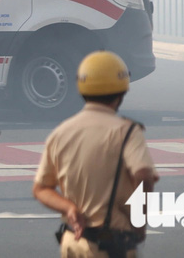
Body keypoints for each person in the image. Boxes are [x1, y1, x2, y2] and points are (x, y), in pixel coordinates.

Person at [33, 51, 159, 258]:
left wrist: (69, 208)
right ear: (121, 91)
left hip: (72, 242)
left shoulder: (61, 132)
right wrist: (138, 222)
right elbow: (143, 175)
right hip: (110, 246)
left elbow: (41, 189)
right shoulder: (126, 131)